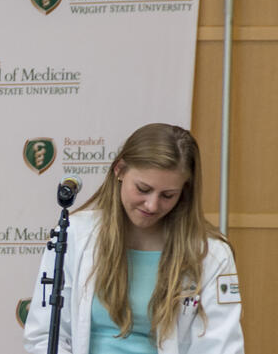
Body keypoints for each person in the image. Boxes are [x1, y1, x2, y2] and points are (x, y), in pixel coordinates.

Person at [24, 123, 243, 354]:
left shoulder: (211, 254)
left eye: (168, 195)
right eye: (143, 189)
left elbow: (221, 347)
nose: (152, 205)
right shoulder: (73, 235)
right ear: (119, 170)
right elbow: (45, 336)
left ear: (184, 191)